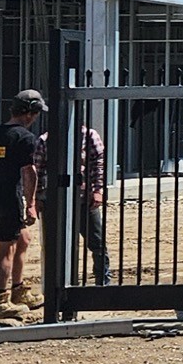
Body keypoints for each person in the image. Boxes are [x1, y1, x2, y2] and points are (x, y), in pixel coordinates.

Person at [0, 90, 48, 317]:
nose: (35, 118)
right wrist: (31, 204)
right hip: (7, 201)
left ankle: (18, 290)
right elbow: (29, 173)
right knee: (6, 250)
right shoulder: (24, 138)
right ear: (29, 113)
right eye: (36, 114)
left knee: (23, 239)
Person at [75, 116, 111, 287]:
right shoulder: (47, 138)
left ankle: (102, 281)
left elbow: (99, 164)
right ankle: (62, 283)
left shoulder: (89, 136)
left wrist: (97, 190)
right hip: (60, 200)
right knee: (58, 245)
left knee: (97, 242)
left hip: (85, 198)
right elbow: (40, 168)